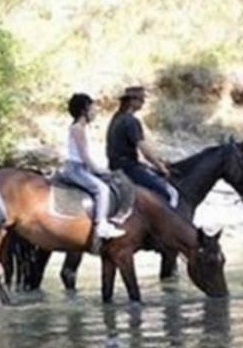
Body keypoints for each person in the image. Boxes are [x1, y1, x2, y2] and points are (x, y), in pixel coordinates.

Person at [106, 85, 179, 208]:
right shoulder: (131, 121)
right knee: (169, 193)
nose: (143, 103)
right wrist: (161, 167)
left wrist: (159, 160)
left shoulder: (116, 117)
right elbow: (145, 151)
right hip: (128, 167)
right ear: (132, 101)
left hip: (115, 165)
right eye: (141, 100)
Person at [63, 93, 124, 240]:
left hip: (80, 167)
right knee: (102, 189)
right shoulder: (78, 128)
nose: (95, 112)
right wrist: (98, 170)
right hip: (75, 168)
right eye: (92, 108)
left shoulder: (81, 128)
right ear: (84, 110)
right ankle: (100, 225)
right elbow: (84, 156)